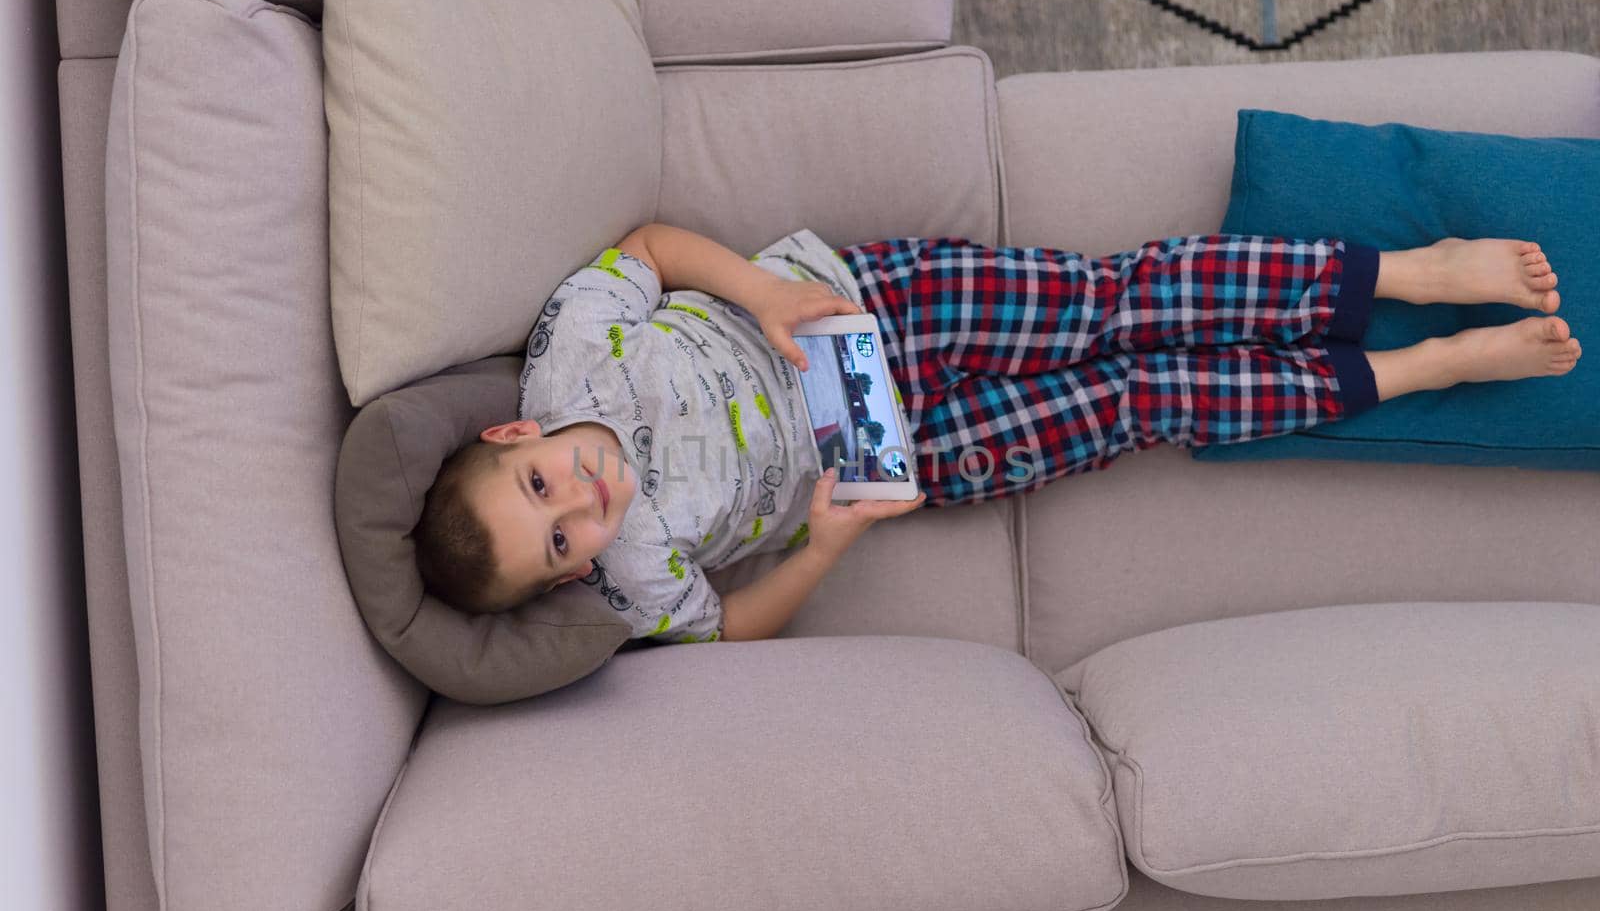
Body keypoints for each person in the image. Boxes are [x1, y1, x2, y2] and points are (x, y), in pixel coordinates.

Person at [413, 223, 1580, 642]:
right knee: (1140, 401)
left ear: (518, 428)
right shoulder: (632, 582)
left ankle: (1406, 274)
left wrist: (761, 297)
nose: (581, 505)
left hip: (859, 308)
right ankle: (1417, 365)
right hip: (894, 451)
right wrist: (826, 543)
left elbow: (655, 248)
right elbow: (725, 630)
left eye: (539, 487)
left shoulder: (571, 349)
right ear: (570, 577)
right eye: (559, 543)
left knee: (1113, 302)